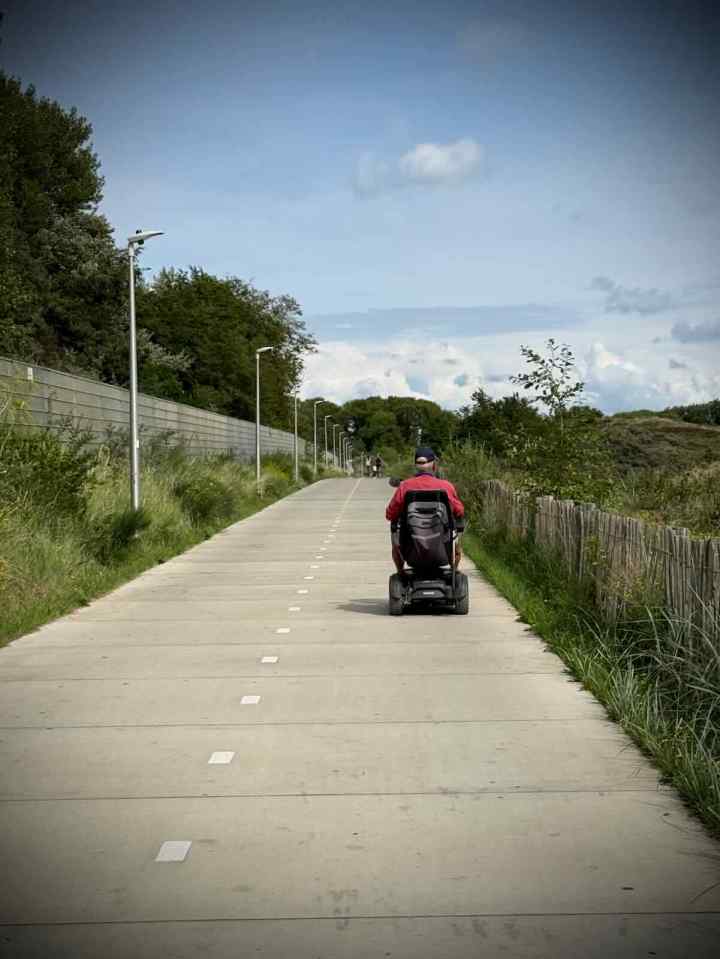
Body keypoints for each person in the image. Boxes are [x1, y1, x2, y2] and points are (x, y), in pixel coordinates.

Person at [386, 447, 465, 574]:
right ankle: (454, 569)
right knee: (459, 528)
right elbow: (459, 511)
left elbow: (390, 514)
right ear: (434, 465)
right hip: (442, 548)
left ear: (416, 465)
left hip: (412, 549)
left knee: (394, 527)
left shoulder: (405, 486)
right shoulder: (446, 486)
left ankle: (400, 572)